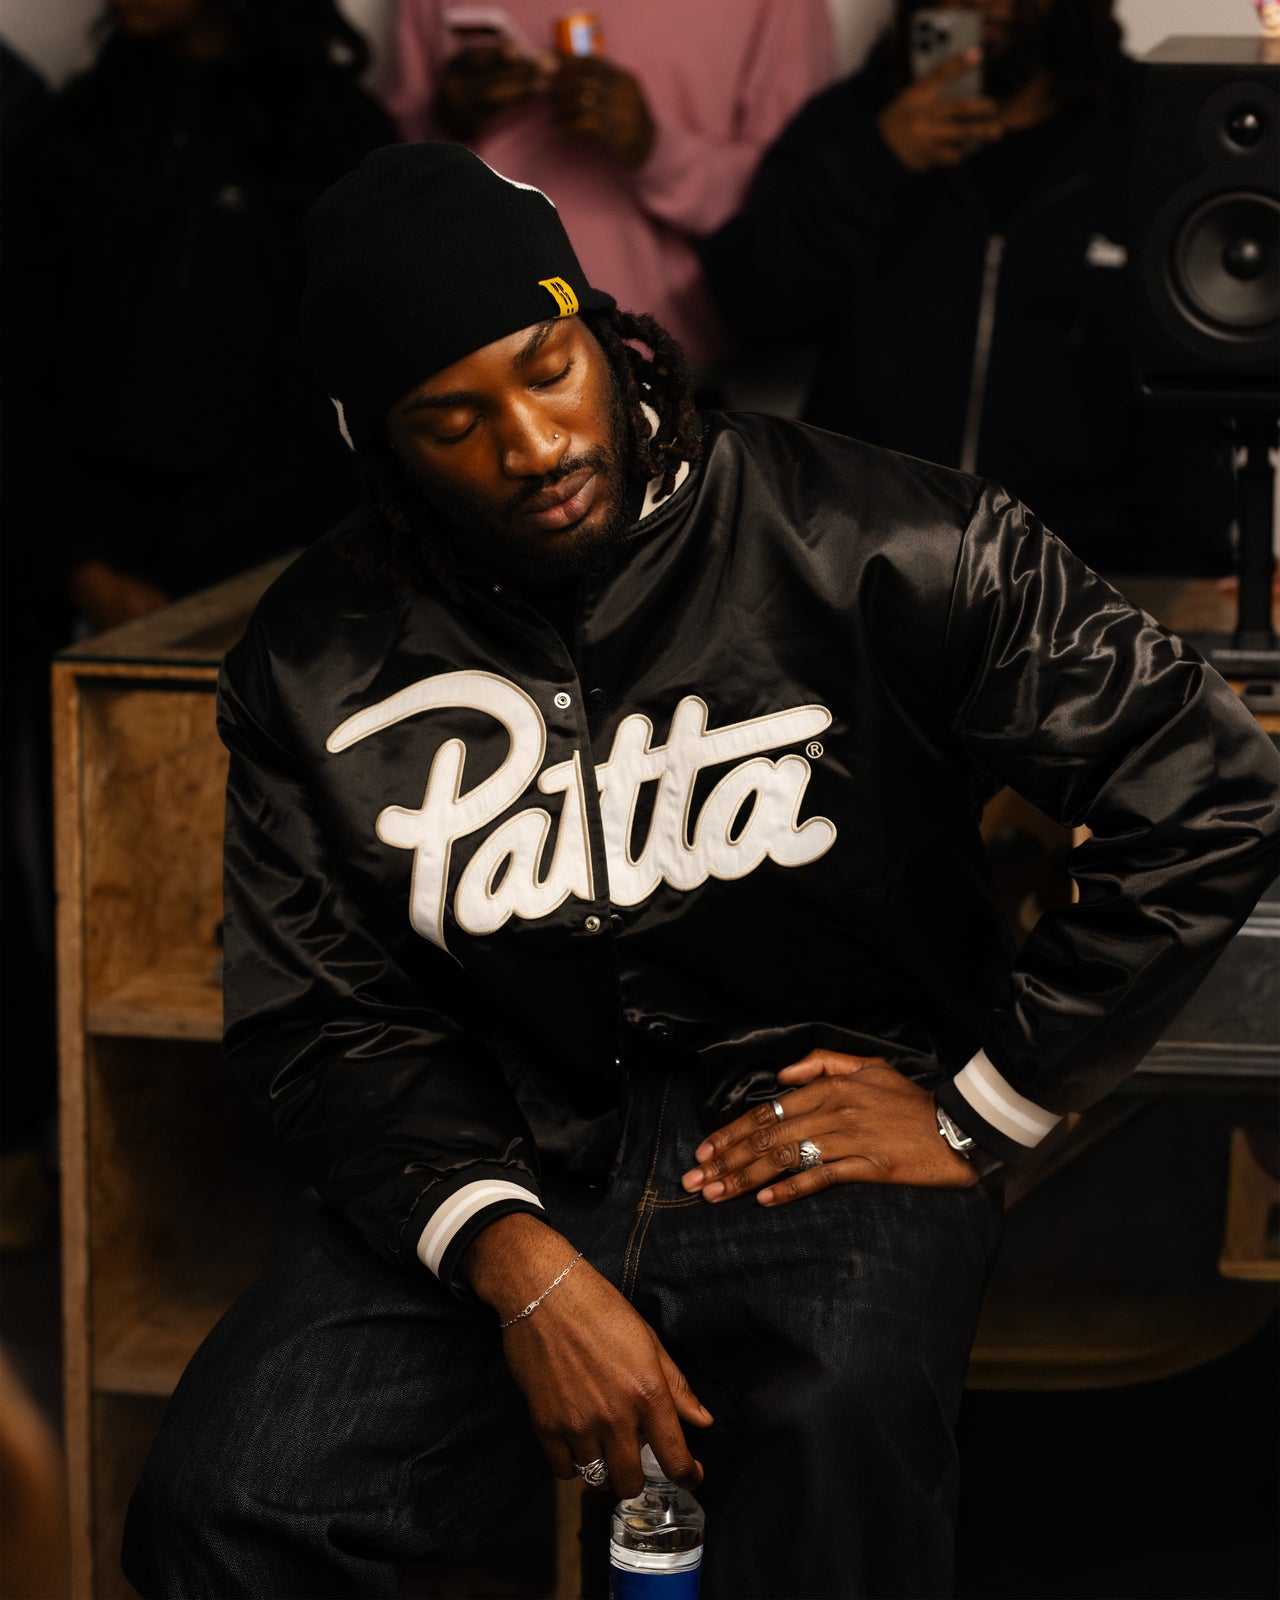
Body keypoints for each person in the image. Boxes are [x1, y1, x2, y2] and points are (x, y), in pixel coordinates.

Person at [121, 143, 1279, 1599]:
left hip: (822, 1125)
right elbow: (321, 1015)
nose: (532, 445)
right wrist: (517, 1261)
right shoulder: (310, 660)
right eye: (452, 422)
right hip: (490, 1146)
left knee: (834, 1459)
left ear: (602, 332)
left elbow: (1205, 781)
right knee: (228, 1504)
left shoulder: (890, 538)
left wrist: (985, 1104)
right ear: (381, 446)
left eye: (547, 369)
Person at [699, 0, 1239, 579]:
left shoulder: (1150, 134)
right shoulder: (854, 121)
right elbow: (750, 306)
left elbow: (1210, 371)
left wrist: (1173, 583)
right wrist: (877, 160)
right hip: (865, 570)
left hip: (1086, 579)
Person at [37, 0, 396, 633]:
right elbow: (24, 355)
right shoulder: (77, 128)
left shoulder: (340, 134)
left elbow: (367, 371)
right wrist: (78, 562)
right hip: (103, 571)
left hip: (293, 572)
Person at [379, 0, 835, 382]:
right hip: (463, 350)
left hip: (663, 366)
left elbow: (797, 213)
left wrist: (655, 150)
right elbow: (381, 180)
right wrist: (446, 120)